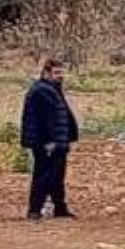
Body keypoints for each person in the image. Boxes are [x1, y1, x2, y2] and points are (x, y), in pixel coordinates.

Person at [20, 58, 80, 220]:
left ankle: (59, 208)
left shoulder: (52, 89)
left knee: (56, 176)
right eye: (56, 73)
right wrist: (49, 141)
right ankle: (34, 210)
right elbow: (46, 119)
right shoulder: (42, 90)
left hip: (58, 141)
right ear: (46, 73)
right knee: (43, 176)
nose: (60, 76)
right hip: (47, 143)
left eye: (61, 72)